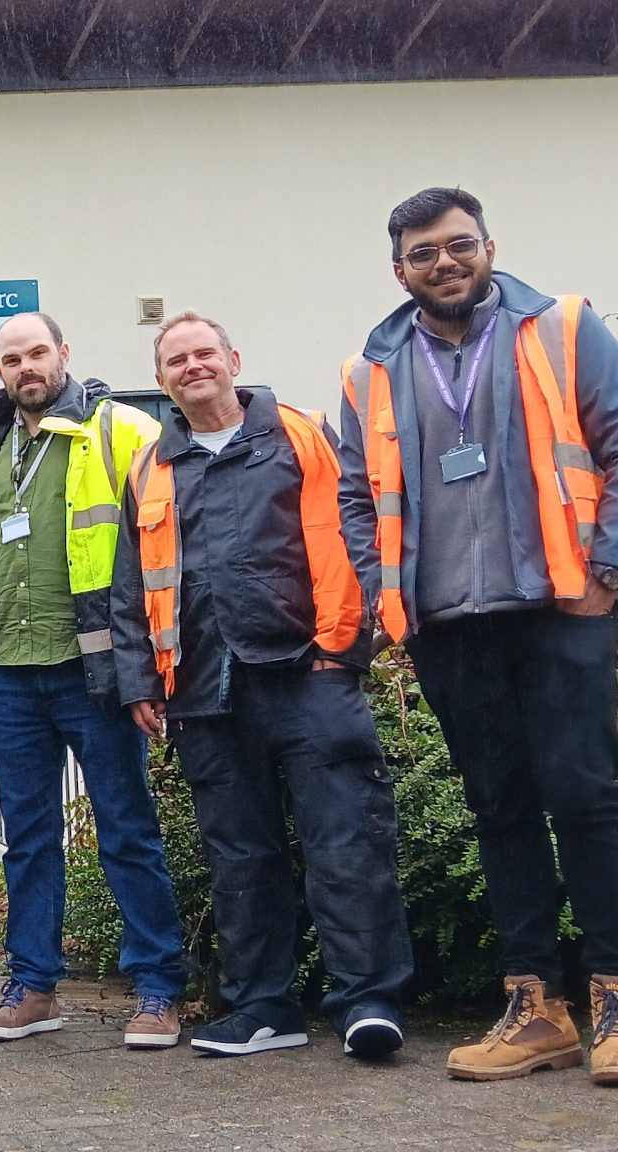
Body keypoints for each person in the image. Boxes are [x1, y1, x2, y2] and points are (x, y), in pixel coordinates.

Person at [340, 188, 618, 1086]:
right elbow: (353, 497)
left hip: (558, 609)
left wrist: (608, 573)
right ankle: (536, 1008)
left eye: (457, 246)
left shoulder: (560, 328)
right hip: (449, 625)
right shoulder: (371, 369)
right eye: (422, 255)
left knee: (586, 801)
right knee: (500, 811)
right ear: (398, 269)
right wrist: (383, 596)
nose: (443, 264)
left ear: (488, 245)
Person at [111, 313, 413, 1060]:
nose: (192, 367)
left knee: (346, 843)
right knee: (240, 860)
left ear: (234, 359)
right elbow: (129, 587)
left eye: (203, 353)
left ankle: (367, 1002)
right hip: (205, 690)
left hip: (310, 676)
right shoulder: (152, 468)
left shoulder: (302, 434)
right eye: (175, 360)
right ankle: (262, 1008)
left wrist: (342, 648)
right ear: (161, 381)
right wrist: (140, 680)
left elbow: (352, 535)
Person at [0, 312, 190, 1050]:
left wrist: (148, 664)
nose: (27, 368)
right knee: (28, 838)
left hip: (96, 672)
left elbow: (163, 547)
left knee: (126, 831)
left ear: (64, 354)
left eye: (38, 353)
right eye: (11, 358)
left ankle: (157, 989)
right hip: (13, 674)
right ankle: (34, 986)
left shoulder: (123, 432)